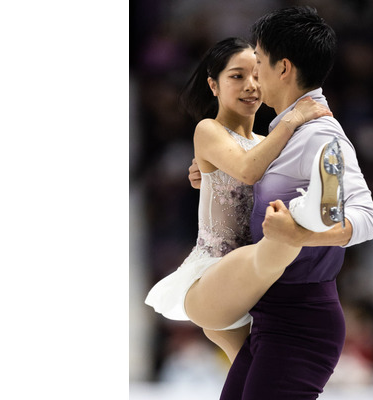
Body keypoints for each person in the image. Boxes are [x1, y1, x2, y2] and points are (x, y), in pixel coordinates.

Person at [187, 7, 373, 400]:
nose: (254, 77)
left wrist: (302, 234)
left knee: (278, 242)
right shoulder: (278, 135)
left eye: (257, 63)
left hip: (302, 320)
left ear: (283, 68)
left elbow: (367, 217)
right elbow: (244, 172)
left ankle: (306, 218)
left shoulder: (321, 133)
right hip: (269, 314)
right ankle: (301, 220)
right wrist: (207, 174)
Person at [144, 37, 342, 363]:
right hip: (217, 276)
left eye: (256, 75)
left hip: (257, 289)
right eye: (237, 76)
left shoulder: (267, 142)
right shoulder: (208, 130)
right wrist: (292, 119)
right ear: (213, 84)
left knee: (255, 382)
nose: (250, 85)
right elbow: (248, 171)